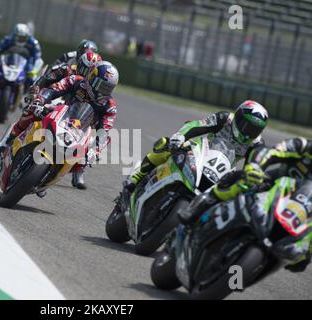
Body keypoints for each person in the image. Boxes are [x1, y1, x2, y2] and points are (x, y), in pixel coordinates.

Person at [179, 137, 312, 273]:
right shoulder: (304, 145)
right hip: (273, 185)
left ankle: (242, 271)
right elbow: (271, 151)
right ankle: (196, 209)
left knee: (301, 259)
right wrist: (255, 167)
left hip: (298, 213)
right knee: (240, 181)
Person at [0, 61, 119, 191]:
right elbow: (55, 89)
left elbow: (105, 130)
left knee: (87, 154)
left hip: (81, 130)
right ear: (91, 77)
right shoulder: (76, 81)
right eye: (100, 85)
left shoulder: (110, 106)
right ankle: (9, 139)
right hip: (61, 113)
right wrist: (40, 99)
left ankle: (65, 175)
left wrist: (96, 150)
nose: (102, 91)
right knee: (33, 110)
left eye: (107, 88)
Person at [125, 101, 269, 192]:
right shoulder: (225, 118)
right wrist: (180, 136)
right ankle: (138, 175)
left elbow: (251, 169)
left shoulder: (256, 144)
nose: (247, 132)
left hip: (224, 168)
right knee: (166, 144)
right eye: (245, 125)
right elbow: (197, 125)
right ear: (237, 117)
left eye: (254, 129)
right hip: (201, 149)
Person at [0, 23, 42, 94]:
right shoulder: (8, 39)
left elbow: (38, 58)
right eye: (18, 37)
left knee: (33, 79)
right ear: (14, 35)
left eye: (23, 37)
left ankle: (27, 96)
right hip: (9, 60)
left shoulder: (34, 43)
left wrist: (34, 70)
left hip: (26, 63)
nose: (21, 39)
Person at [34, 52, 102, 90]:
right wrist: (36, 87)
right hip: (56, 102)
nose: (87, 74)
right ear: (80, 64)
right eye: (85, 70)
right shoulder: (67, 69)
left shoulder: (96, 85)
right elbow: (46, 78)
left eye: (91, 72)